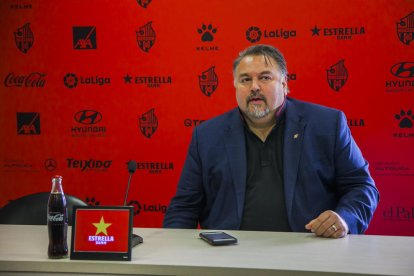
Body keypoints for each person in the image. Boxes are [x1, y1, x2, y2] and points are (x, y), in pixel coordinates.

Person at [163, 44, 379, 238]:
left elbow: (362, 187)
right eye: (245, 79)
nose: (254, 86)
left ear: (285, 84)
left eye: (265, 77)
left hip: (309, 250)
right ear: (235, 87)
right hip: (228, 255)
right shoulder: (207, 135)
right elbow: (184, 206)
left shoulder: (326, 124)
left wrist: (344, 219)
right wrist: (174, 256)